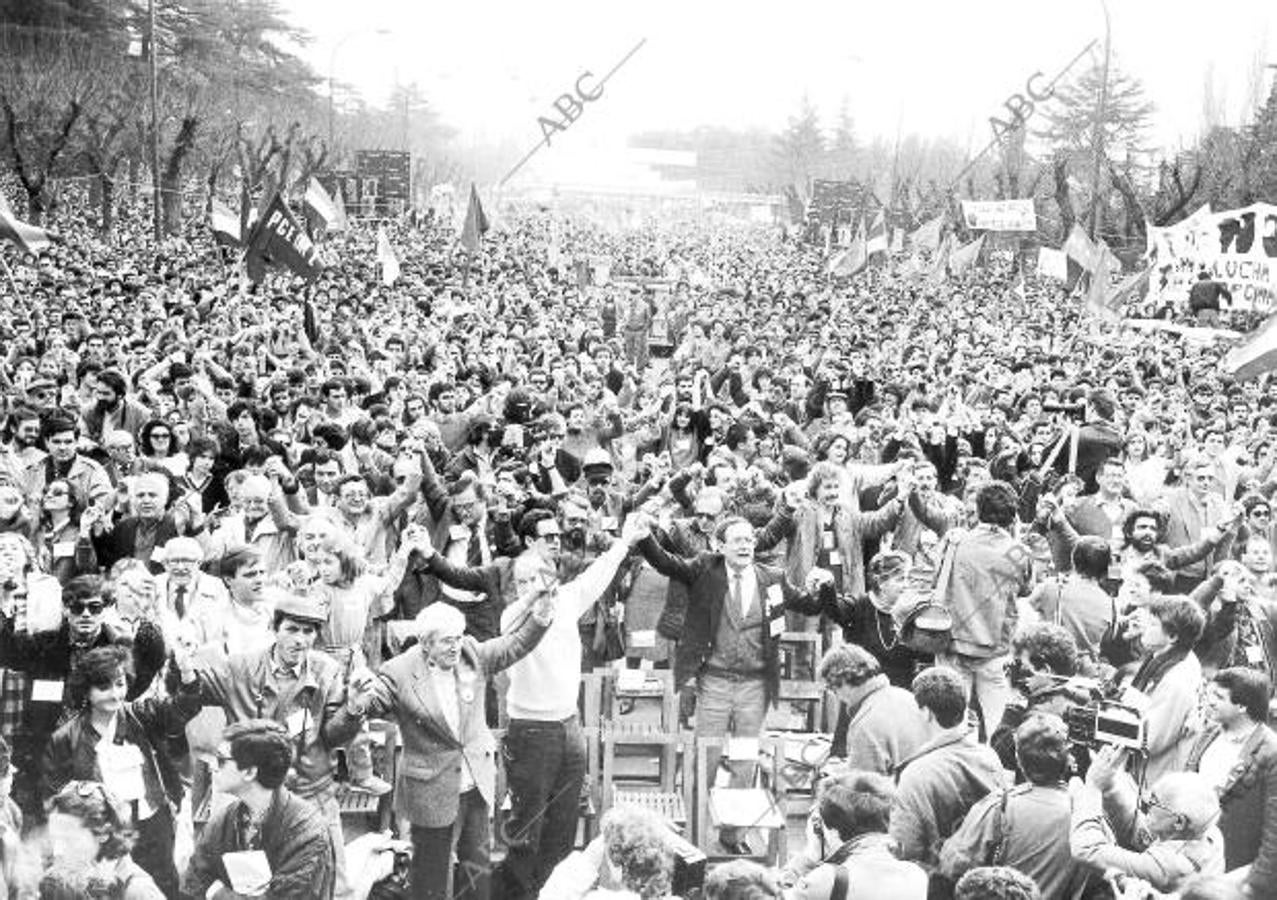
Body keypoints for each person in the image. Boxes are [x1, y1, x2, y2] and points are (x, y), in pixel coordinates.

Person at [343, 596, 556, 900]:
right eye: (446, 641)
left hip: (475, 788)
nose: (456, 646)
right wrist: (356, 701)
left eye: (458, 637)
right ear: (425, 643)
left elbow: (513, 646)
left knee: (476, 875)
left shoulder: (471, 653)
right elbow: (373, 703)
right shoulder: (399, 671)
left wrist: (540, 618)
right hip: (430, 793)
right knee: (431, 882)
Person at [42, 645, 201, 898]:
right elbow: (54, 796)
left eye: (120, 684)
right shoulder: (65, 738)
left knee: (162, 887)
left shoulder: (142, 715)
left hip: (151, 823)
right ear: (87, 690)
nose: (115, 694)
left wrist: (186, 671)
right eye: (104, 687)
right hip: (104, 833)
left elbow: (182, 708)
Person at [941, 714, 1096, 900]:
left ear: (1018, 759)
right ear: (1068, 759)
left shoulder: (999, 806)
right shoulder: (1086, 814)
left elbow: (952, 866)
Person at [182, 720, 336, 900]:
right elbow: (192, 884)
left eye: (222, 760)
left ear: (249, 772)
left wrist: (217, 893)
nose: (214, 767)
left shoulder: (308, 833)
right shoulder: (223, 821)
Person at [935, 481, 1033, 734]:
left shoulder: (955, 543)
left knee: (950, 727)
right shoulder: (1019, 552)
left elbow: (936, 579)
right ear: (1013, 515)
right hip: (995, 649)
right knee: (996, 728)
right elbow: (1026, 589)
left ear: (978, 510)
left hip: (954, 643)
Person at [890, 667, 1007, 874]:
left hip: (936, 881)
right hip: (984, 880)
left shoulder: (915, 774)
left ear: (926, 713)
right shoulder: (989, 757)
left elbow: (905, 849)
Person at [1070, 746, 1225, 895]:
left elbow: (1088, 850)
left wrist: (1092, 788)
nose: (1147, 803)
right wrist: (1109, 782)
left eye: (1154, 801)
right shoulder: (1203, 831)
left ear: (1179, 822)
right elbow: (1140, 833)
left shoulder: (1169, 868)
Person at [1185, 667, 1277, 895]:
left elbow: (1274, 830)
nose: (1209, 701)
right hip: (1192, 853)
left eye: (1218, 697)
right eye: (1210, 694)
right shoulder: (1210, 733)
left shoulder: (1271, 752)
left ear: (1242, 706)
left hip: (1232, 869)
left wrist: (1255, 883)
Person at [779, 769, 927, 899]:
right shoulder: (916, 876)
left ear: (831, 830)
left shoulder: (826, 880)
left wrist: (808, 856)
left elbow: (775, 894)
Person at [1126, 595, 1207, 783]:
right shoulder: (1169, 656)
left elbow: (1151, 740)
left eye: (1153, 624)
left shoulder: (1177, 679)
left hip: (1155, 778)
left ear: (1172, 637)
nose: (1145, 628)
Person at [44, 780, 165, 900]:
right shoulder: (63, 882)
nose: (58, 852)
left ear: (103, 833)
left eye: (69, 839)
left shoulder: (137, 891)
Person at [818, 643, 926, 775]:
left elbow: (865, 784)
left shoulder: (865, 723)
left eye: (833, 689)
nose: (838, 697)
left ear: (844, 681)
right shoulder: (907, 697)